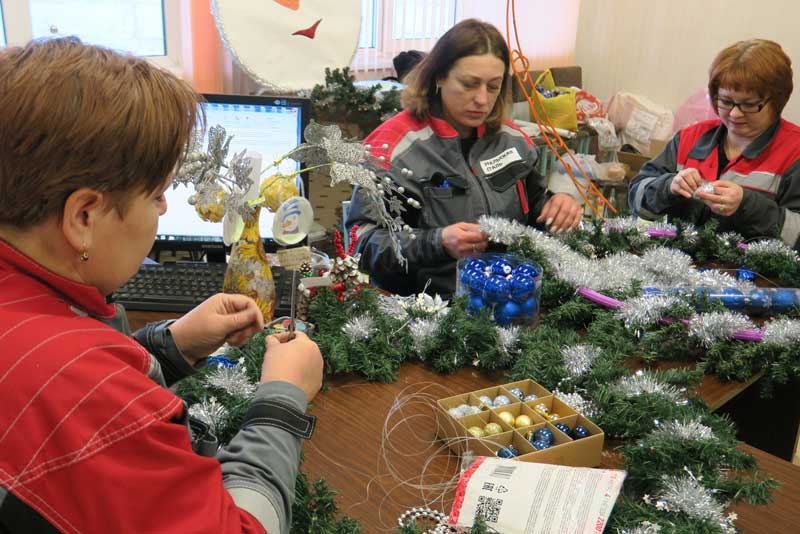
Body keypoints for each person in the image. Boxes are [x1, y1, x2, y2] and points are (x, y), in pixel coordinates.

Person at [0, 38, 323, 534]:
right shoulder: (82, 388)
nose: (164, 210)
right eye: (155, 194)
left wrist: (167, 347)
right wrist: (281, 400)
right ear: (83, 217)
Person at [346, 19, 582, 297]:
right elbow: (359, 244)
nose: (482, 99)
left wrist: (559, 205)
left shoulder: (514, 140)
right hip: (424, 316)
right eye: (469, 84)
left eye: (493, 87)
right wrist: (438, 242)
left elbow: (534, 212)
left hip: (509, 305)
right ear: (439, 76)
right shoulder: (393, 149)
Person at [629, 39, 800, 249]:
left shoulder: (795, 153)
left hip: (761, 279)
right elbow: (636, 200)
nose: (735, 114)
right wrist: (668, 186)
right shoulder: (688, 139)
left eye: (748, 105)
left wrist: (747, 205)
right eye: (726, 101)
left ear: (777, 101)